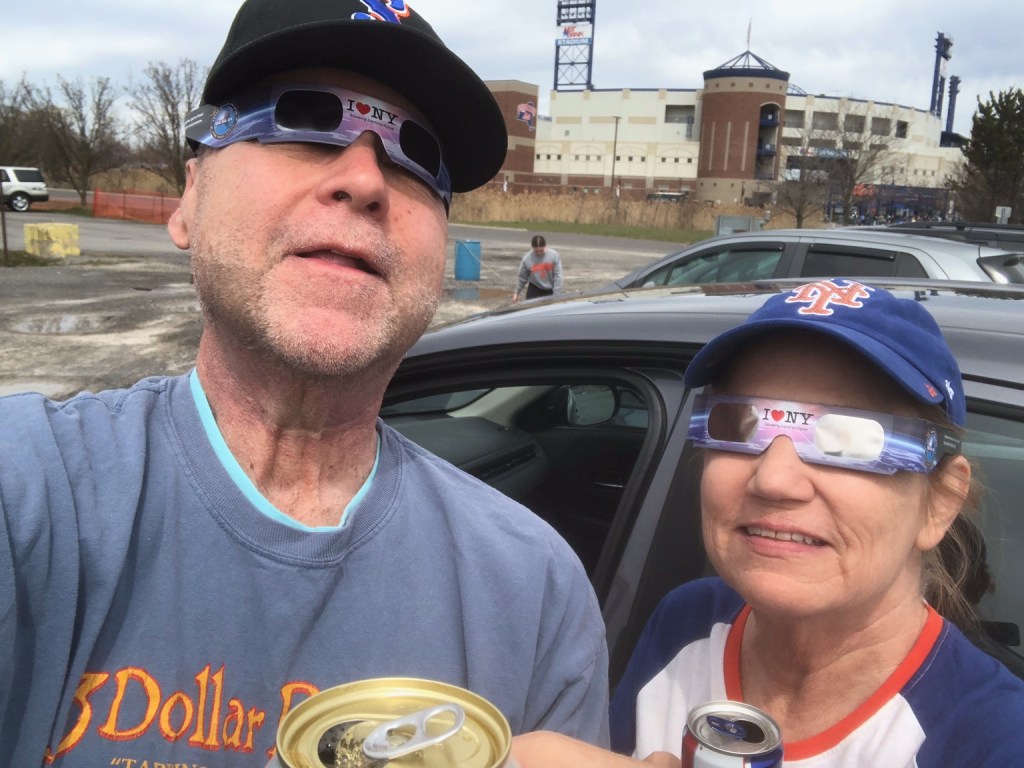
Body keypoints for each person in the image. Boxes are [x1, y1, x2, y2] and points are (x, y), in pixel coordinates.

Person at [0, 1, 610, 765]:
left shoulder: (536, 590)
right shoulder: (27, 495)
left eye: (416, 155)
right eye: (304, 119)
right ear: (190, 197)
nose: (365, 178)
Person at [511, 278, 1024, 767]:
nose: (774, 479)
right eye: (740, 424)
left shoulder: (997, 739)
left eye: (849, 438)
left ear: (940, 504)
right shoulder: (687, 621)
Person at [513, 234, 563, 302]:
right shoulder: (527, 258)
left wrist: (556, 295)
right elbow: (522, 277)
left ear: (545, 246)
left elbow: (558, 276)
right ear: (532, 248)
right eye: (536, 251)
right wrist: (516, 293)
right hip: (535, 288)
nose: (539, 253)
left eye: (541, 250)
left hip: (550, 289)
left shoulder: (554, 256)